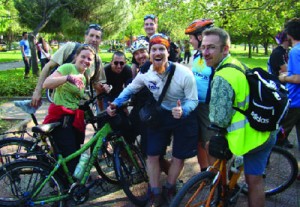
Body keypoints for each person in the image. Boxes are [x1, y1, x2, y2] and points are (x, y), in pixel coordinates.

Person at [107, 33, 198, 206]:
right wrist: (116, 104)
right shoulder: (145, 74)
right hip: (161, 115)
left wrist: (183, 110)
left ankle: (170, 189)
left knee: (179, 156)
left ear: (168, 53)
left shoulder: (184, 73)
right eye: (154, 49)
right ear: (150, 54)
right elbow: (130, 90)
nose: (157, 52)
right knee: (152, 155)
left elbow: (193, 100)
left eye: (161, 49)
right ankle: (156, 193)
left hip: (184, 115)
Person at [202, 27, 276, 207]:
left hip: (246, 138)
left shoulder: (222, 76)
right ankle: (230, 183)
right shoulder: (237, 64)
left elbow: (219, 119)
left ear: (225, 49)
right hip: (265, 131)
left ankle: (220, 189)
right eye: (203, 47)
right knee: (255, 182)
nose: (205, 52)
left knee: (210, 146)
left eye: (211, 47)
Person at [42, 45, 96, 174]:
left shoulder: (83, 76)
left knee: (73, 154)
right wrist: (67, 78)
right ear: (76, 57)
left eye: (89, 59)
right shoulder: (68, 68)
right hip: (61, 119)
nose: (85, 60)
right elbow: (46, 83)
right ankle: (66, 188)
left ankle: (68, 184)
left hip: (72, 120)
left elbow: (76, 98)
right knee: (69, 156)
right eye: (83, 56)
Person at [31, 24, 110, 108]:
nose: (94, 39)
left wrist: (101, 110)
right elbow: (48, 67)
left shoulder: (97, 61)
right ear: (85, 36)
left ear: (100, 40)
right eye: (91, 35)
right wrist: (37, 92)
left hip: (80, 106)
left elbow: (97, 85)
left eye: (97, 37)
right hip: (60, 106)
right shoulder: (70, 47)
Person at [185, 19, 214, 172]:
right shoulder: (197, 56)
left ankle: (216, 176)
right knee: (198, 140)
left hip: (208, 107)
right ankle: (204, 172)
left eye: (191, 37)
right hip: (195, 103)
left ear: (200, 37)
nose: (190, 41)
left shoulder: (214, 58)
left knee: (209, 143)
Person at [279, 18, 300, 151]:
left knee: (278, 134)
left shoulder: (295, 51)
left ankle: (262, 166)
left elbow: (298, 78)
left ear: (289, 34)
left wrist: (284, 78)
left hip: (294, 100)